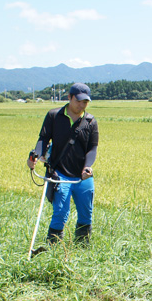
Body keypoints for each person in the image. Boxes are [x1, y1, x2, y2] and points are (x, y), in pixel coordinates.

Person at [27, 83, 99, 247]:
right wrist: (36, 156)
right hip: (59, 174)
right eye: (78, 101)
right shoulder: (54, 116)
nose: (81, 105)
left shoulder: (90, 121)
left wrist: (87, 167)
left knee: (86, 214)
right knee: (60, 213)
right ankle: (54, 249)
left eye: (85, 102)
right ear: (69, 97)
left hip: (82, 177)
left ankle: (82, 248)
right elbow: (43, 139)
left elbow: (92, 148)